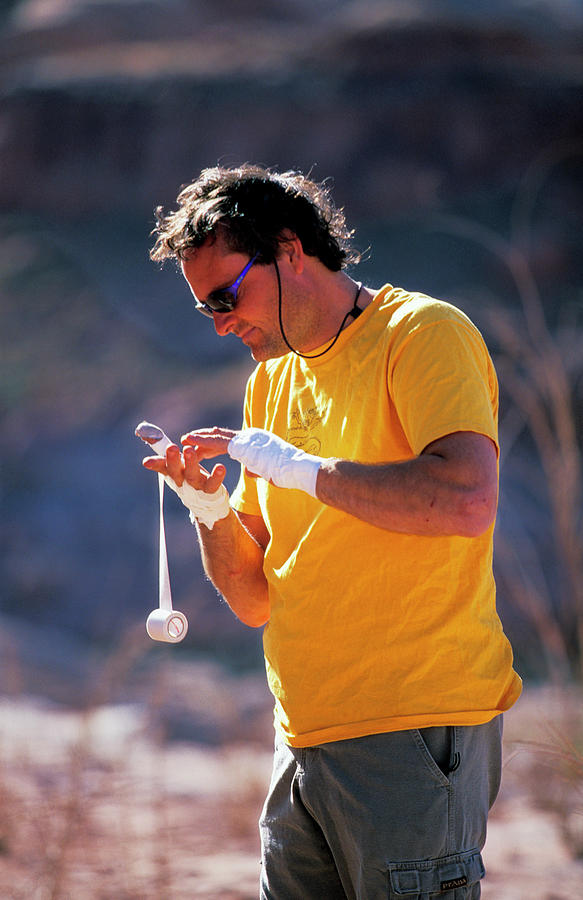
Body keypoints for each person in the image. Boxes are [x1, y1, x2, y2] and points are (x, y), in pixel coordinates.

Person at [143, 163, 522, 899]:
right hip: (304, 739)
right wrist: (208, 507)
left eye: (226, 295)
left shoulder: (420, 333)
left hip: (412, 730)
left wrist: (297, 468)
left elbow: (465, 499)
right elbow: (254, 598)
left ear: (289, 249)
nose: (220, 320)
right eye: (204, 309)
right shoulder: (269, 382)